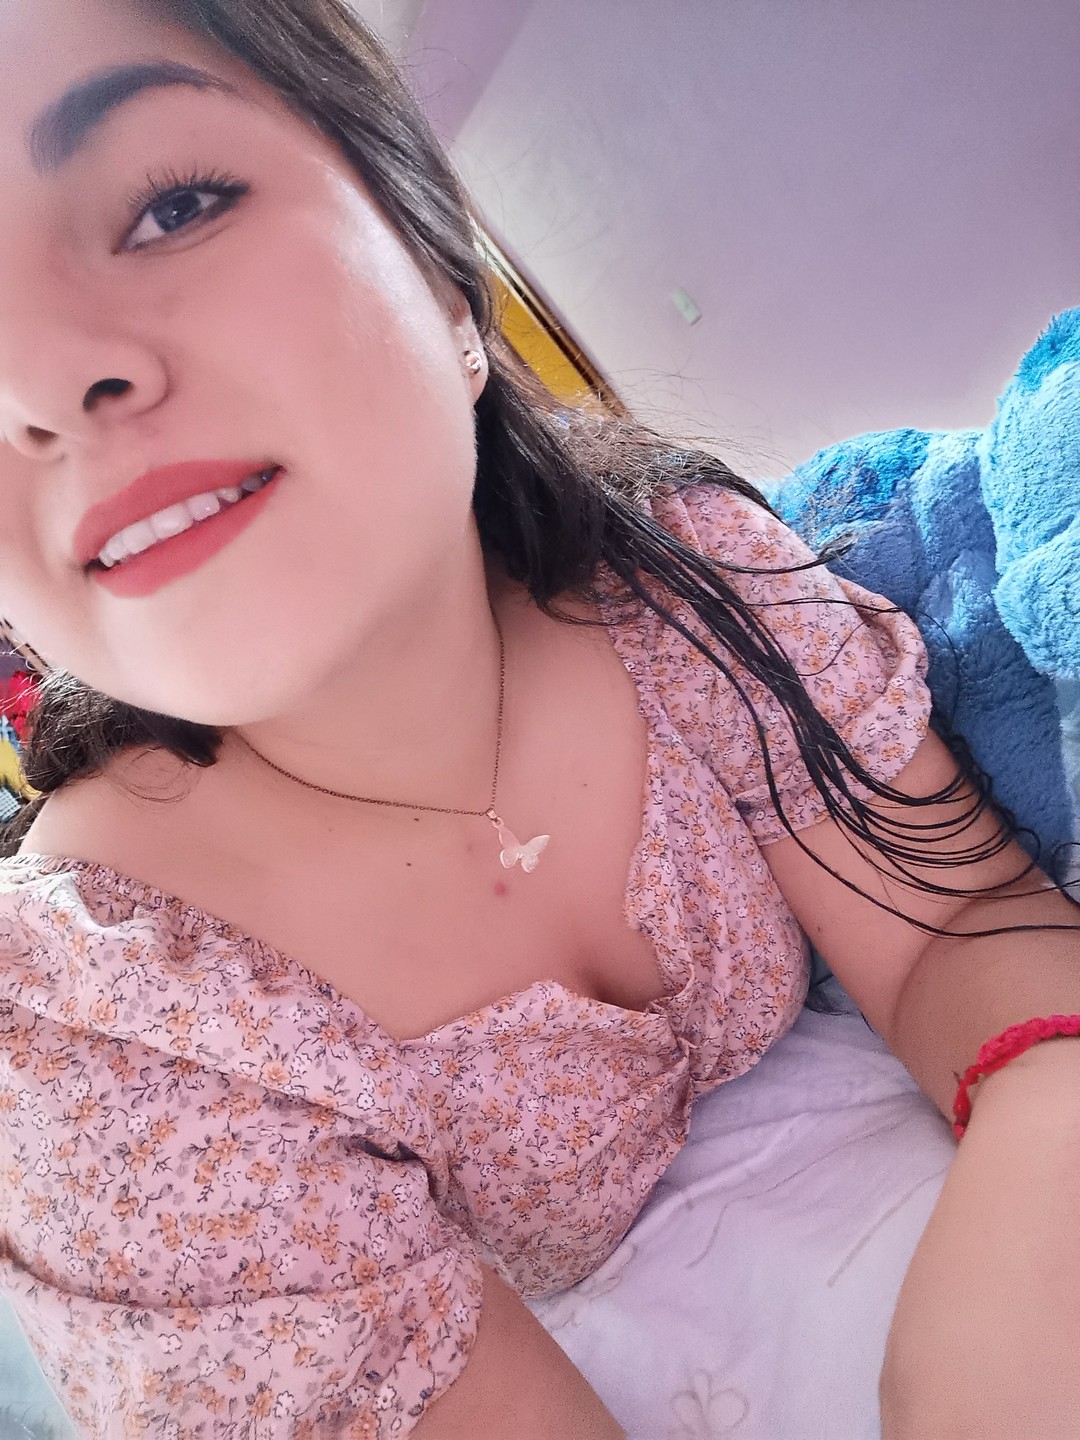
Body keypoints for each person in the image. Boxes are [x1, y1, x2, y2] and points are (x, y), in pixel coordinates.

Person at [0, 2, 1077, 1436]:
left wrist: (1036, 1154)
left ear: (443, 272)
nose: (38, 387)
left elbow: (956, 926)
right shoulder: (98, 1035)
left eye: (170, 207)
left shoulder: (684, 584)